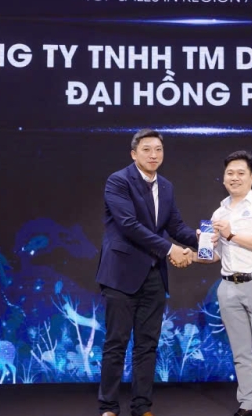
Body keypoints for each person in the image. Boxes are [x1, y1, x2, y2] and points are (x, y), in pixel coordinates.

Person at [96, 128, 199, 416]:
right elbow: (129, 225)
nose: (153, 155)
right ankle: (109, 406)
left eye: (158, 150)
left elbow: (175, 225)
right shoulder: (118, 181)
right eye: (146, 149)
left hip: (154, 276)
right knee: (116, 343)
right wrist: (170, 249)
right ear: (134, 154)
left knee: (147, 345)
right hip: (120, 275)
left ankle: (141, 407)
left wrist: (200, 240)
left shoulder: (166, 186)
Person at [193, 150, 252, 416]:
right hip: (228, 286)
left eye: (241, 173)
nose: (234, 177)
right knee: (240, 350)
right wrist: (200, 250)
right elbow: (218, 254)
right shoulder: (219, 212)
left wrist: (231, 234)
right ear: (223, 178)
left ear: (251, 178)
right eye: (229, 173)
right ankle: (247, 402)